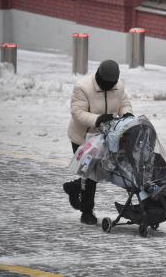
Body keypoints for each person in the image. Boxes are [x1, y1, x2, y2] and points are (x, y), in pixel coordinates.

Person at [63, 59, 133, 225]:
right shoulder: (83, 87)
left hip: (107, 136)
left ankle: (74, 187)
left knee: (104, 171)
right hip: (83, 138)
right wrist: (98, 119)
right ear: (99, 77)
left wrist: (127, 114)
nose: (109, 87)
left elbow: (124, 103)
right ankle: (87, 211)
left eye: (112, 84)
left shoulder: (119, 86)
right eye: (106, 84)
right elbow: (77, 113)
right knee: (90, 174)